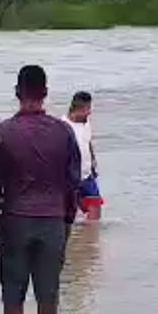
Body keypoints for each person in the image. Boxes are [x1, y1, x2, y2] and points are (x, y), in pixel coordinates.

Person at [0, 65, 80, 314]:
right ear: (46, 94)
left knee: (13, 286)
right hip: (52, 219)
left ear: (17, 93)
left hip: (15, 219)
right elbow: (72, 182)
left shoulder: (2, 133)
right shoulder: (63, 132)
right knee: (48, 288)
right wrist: (67, 221)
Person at [62, 91, 103, 220]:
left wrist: (93, 163)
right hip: (70, 178)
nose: (90, 112)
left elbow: (88, 142)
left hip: (87, 176)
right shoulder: (63, 126)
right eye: (87, 109)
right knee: (70, 213)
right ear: (78, 109)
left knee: (95, 207)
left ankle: (91, 237)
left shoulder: (86, 122)